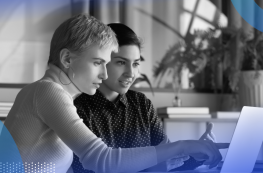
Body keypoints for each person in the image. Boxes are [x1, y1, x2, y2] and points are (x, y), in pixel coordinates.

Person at [0, 14, 228, 173]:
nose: (104, 73)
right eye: (98, 62)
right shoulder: (47, 91)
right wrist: (183, 146)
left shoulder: (55, 94)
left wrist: (191, 154)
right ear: (67, 59)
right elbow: (101, 159)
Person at [71, 23, 217, 173]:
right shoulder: (77, 110)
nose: (130, 73)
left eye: (135, 64)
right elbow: (85, 169)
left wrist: (199, 154)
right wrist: (151, 170)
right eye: (121, 62)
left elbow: (170, 162)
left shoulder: (141, 104)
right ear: (101, 62)